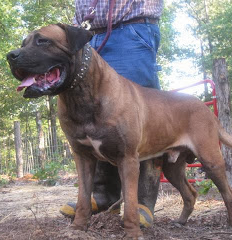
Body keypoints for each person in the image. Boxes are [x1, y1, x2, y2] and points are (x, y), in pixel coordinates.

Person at [60, 0, 164, 228]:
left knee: (134, 118)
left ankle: (141, 202)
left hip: (132, 29)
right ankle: (104, 195)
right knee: (95, 117)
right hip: (88, 36)